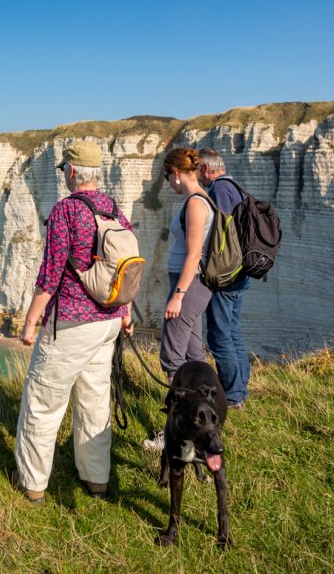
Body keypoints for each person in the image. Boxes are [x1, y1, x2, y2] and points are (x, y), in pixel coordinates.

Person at [12, 141, 135, 504]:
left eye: (65, 169)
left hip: (70, 323)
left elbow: (50, 273)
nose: (64, 174)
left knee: (43, 402)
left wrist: (31, 322)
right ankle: (96, 481)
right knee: (95, 401)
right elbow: (125, 269)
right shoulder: (115, 210)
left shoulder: (67, 210)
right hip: (108, 322)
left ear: (72, 173)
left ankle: (32, 485)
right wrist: (125, 313)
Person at [144, 147, 215, 451]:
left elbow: (194, 254)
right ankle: (208, 422)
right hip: (193, 284)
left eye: (166, 176)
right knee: (194, 356)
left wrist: (179, 295)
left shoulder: (196, 204)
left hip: (190, 284)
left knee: (172, 358)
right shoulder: (200, 200)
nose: (168, 184)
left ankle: (175, 432)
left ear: (175, 173)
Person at [198, 148, 251, 408]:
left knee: (219, 336)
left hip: (227, 273)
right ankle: (240, 390)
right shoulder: (237, 186)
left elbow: (218, 233)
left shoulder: (219, 190)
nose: (198, 177)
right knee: (232, 331)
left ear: (206, 169)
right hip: (242, 272)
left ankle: (231, 396)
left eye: (199, 171)